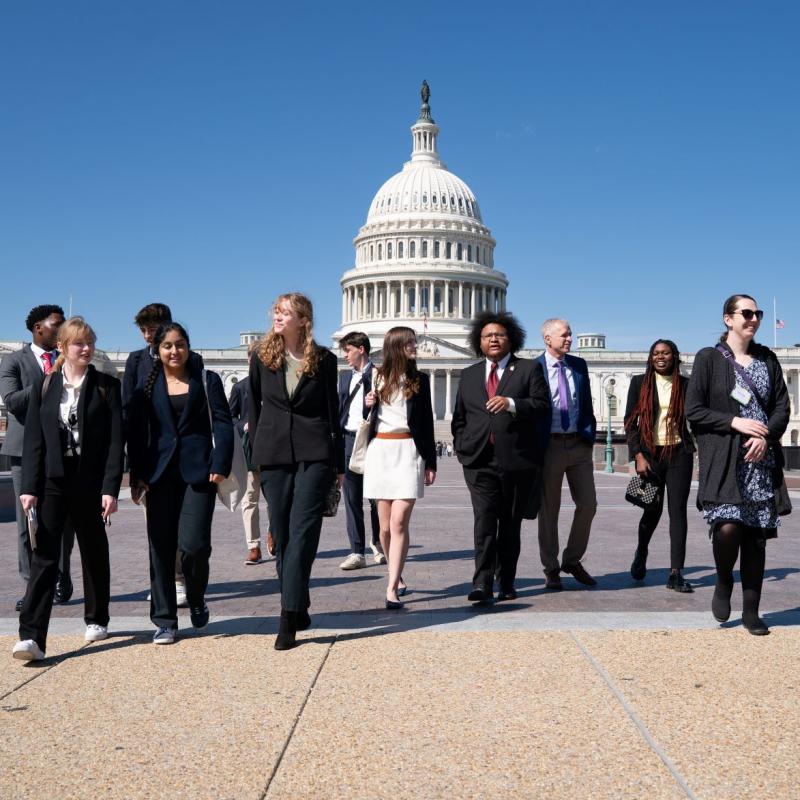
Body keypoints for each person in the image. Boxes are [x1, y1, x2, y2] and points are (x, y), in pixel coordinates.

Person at [12, 317, 123, 661]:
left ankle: (96, 616)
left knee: (92, 548)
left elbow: (115, 442)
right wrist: (29, 486)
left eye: (89, 342)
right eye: (79, 343)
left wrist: (110, 488)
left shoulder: (106, 385)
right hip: (53, 480)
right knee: (45, 554)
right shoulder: (45, 386)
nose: (86, 348)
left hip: (89, 480)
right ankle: (31, 636)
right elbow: (34, 440)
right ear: (62, 347)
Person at [686, 294, 791, 635]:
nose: (754, 318)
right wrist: (736, 423)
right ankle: (722, 580)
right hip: (724, 460)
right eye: (746, 313)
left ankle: (751, 611)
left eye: (757, 313)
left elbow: (781, 408)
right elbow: (695, 410)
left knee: (756, 538)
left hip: (760, 461)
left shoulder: (767, 359)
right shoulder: (708, 359)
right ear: (728, 319)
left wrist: (765, 437)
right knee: (728, 528)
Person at [249, 293, 345, 650]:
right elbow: (255, 409)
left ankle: (287, 617)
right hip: (274, 453)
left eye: (286, 312)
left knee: (303, 532)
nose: (278, 316)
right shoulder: (261, 357)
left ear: (303, 320)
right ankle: (300, 604)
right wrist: (255, 458)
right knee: (283, 536)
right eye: (276, 310)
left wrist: (337, 463)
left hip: (315, 452)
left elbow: (332, 411)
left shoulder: (324, 359)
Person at [128, 323, 233, 645]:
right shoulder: (146, 385)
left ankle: (197, 595)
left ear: (188, 347)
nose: (175, 351)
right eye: (168, 346)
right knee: (160, 548)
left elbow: (223, 422)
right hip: (158, 473)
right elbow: (136, 431)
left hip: (198, 471)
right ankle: (164, 620)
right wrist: (136, 474)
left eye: (180, 344)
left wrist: (220, 462)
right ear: (157, 351)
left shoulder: (207, 379)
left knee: (194, 545)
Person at [452, 312, 549, 603]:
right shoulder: (469, 374)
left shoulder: (528, 369)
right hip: (479, 460)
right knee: (484, 521)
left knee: (509, 524)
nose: (493, 339)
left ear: (512, 339)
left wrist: (511, 403)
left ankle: (506, 580)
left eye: (499, 335)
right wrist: (461, 445)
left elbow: (542, 407)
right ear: (478, 342)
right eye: (487, 336)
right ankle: (481, 583)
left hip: (515, 459)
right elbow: (460, 418)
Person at [0, 304, 75, 612]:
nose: (62, 330)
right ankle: (32, 585)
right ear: (38, 328)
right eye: (57, 325)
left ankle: (61, 572)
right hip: (23, 451)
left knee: (64, 518)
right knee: (26, 521)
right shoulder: (13, 361)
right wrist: (50, 379)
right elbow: (13, 401)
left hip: (64, 449)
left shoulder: (73, 359)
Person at [363, 326, 436, 609]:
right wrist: (368, 403)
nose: (415, 346)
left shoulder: (421, 379)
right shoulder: (376, 376)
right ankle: (397, 571)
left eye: (415, 342)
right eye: (410, 343)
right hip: (381, 450)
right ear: (396, 346)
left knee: (398, 522)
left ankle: (391, 588)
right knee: (383, 529)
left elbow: (427, 422)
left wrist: (430, 461)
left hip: (408, 450)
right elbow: (365, 416)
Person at [121, 303, 188, 608]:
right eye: (144, 330)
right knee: (155, 524)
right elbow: (128, 409)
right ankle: (163, 579)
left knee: (179, 525)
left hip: (180, 452)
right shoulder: (136, 361)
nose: (148, 335)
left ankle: (178, 578)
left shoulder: (184, 357)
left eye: (152, 328)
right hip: (150, 453)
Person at [624, 339, 695, 592]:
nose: (660, 357)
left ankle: (676, 572)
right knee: (651, 511)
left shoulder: (686, 385)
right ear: (651, 357)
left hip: (679, 454)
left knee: (678, 512)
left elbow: (697, 418)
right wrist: (638, 456)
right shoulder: (639, 383)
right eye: (656, 353)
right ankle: (642, 551)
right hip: (651, 456)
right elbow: (630, 422)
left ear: (675, 356)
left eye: (665, 353)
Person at [534, 318, 598, 590]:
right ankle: (551, 567)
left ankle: (572, 558)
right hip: (549, 445)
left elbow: (584, 403)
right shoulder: (532, 368)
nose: (569, 339)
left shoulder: (579, 365)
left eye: (570, 334)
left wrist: (589, 435)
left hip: (578, 443)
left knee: (588, 504)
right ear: (547, 339)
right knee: (549, 510)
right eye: (564, 335)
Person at [337, 331, 385, 570]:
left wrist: (377, 403)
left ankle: (378, 543)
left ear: (361, 349)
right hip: (348, 439)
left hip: (372, 440)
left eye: (347, 350)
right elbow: (340, 409)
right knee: (352, 498)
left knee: (376, 498)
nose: (344, 355)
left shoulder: (380, 375)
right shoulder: (344, 378)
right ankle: (357, 551)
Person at [229, 343, 273, 565]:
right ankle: (253, 545)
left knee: (275, 499)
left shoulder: (275, 385)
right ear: (248, 360)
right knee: (249, 500)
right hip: (250, 451)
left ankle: (273, 531)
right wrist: (243, 425)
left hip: (274, 450)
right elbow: (230, 417)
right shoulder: (240, 388)